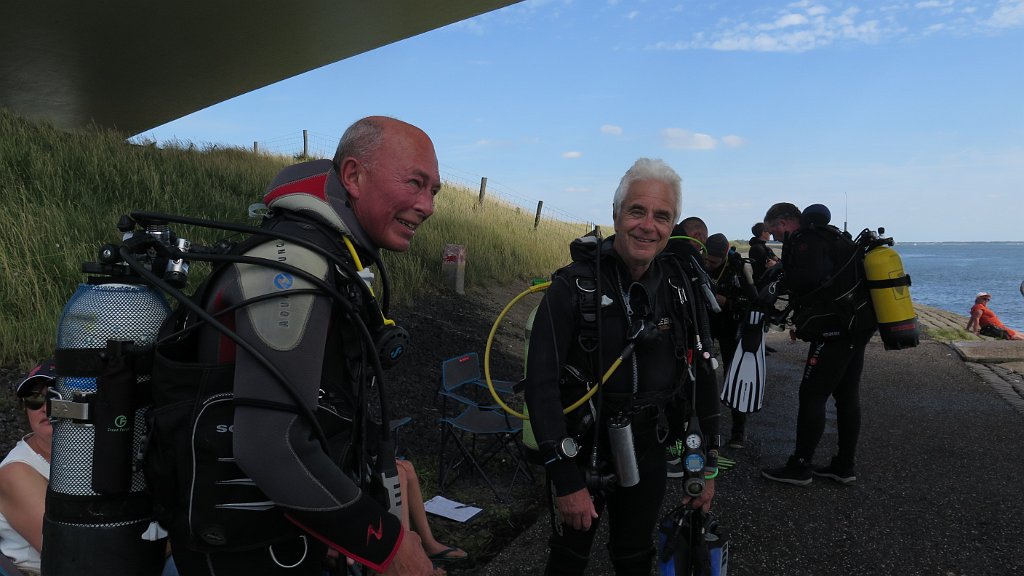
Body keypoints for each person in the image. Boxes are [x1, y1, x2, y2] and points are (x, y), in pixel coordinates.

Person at [153, 116, 441, 576]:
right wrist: (389, 547)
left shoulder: (325, 258)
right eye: (415, 183)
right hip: (245, 552)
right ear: (353, 176)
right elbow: (273, 447)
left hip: (283, 534)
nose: (427, 205)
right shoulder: (292, 268)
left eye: (434, 192)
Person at [523, 158, 720, 575]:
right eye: (637, 211)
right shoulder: (572, 288)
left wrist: (704, 466)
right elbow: (540, 388)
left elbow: (701, 377)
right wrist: (565, 480)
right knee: (568, 559)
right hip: (585, 446)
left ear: (672, 226)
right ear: (616, 215)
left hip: (648, 446)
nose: (648, 225)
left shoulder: (678, 286)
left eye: (661, 216)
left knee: (635, 556)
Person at [760, 202, 876, 486]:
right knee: (847, 396)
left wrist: (781, 275)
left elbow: (810, 280)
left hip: (834, 330)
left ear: (787, 221)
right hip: (856, 326)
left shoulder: (807, 241)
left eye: (774, 229)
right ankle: (844, 465)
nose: (774, 236)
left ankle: (800, 466)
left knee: (812, 395)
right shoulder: (833, 237)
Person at [0, 359, 54, 576]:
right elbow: (71, 552)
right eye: (34, 398)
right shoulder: (16, 472)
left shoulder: (98, 452)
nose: (45, 407)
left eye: (57, 395)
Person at [702, 234, 750, 449]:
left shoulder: (739, 269)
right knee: (701, 375)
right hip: (706, 327)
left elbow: (752, 301)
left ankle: (738, 432)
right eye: (707, 260)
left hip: (731, 328)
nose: (709, 264)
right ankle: (697, 428)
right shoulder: (699, 265)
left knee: (735, 377)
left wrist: (728, 301)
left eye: (714, 262)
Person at [746, 222, 779, 287]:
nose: (770, 233)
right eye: (768, 231)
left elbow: (778, 261)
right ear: (763, 233)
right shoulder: (758, 248)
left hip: (764, 282)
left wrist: (776, 263)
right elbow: (767, 266)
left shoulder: (763, 248)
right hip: (764, 284)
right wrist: (776, 263)